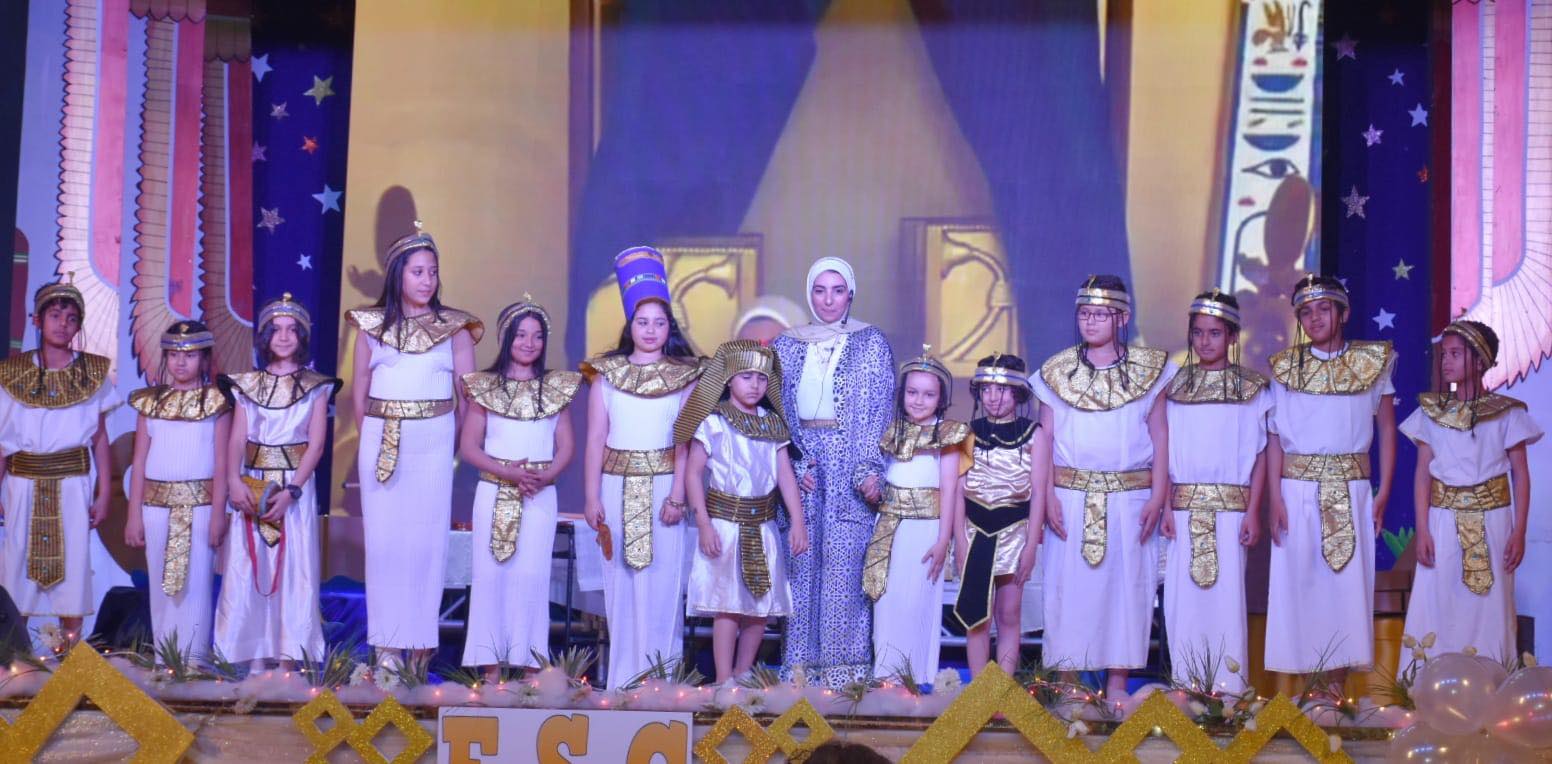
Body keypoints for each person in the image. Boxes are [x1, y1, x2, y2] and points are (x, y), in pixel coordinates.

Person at [1032, 275, 1176, 699]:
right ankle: (1068, 685)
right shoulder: (1056, 372)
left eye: (1100, 314)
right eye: (1084, 313)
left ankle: (1116, 686)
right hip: (1070, 497)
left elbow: (1161, 435)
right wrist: (1048, 496)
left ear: (1123, 318)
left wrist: (1159, 496)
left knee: (1126, 591)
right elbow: (1045, 439)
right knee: (1069, 590)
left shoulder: (1150, 372)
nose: (1090, 321)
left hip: (1130, 498)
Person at [348, 222, 481, 670]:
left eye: (433, 272)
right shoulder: (372, 327)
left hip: (433, 441)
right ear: (398, 275)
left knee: (425, 543)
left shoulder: (455, 328)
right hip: (382, 438)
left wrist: (452, 448)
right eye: (418, 272)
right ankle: (386, 651)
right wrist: (372, 441)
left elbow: (467, 397)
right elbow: (360, 391)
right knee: (385, 544)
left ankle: (420, 651)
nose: (427, 281)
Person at [1265, 275, 1396, 690]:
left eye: (1324, 309)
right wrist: (1275, 498)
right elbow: (1274, 436)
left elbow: (1387, 429)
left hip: (1351, 488)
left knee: (1344, 587)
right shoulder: (1284, 368)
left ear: (1344, 312)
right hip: (1297, 489)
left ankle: (1335, 689)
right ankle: (1309, 689)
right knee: (1301, 583)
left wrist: (1383, 492)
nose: (1315, 318)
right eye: (1306, 312)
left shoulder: (1373, 363)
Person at [581, 246, 704, 686]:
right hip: (615, 489)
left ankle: (660, 684)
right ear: (629, 325)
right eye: (642, 321)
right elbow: (595, 438)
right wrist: (591, 496)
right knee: (621, 583)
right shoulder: (606, 375)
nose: (650, 330)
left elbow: (686, 440)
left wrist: (678, 496)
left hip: (665, 490)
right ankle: (622, 682)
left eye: (659, 322)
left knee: (663, 584)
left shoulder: (685, 376)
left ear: (669, 328)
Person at [772, 257, 896, 686]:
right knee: (802, 568)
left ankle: (845, 678)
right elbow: (776, 412)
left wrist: (867, 469)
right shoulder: (786, 345)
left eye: (837, 290)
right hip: (803, 463)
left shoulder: (871, 342)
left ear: (851, 295)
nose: (828, 300)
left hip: (851, 463)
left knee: (844, 570)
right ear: (809, 293)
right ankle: (799, 673)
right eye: (820, 290)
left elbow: (878, 409)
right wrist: (795, 464)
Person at [1399, 320, 1540, 665]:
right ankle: (1425, 683)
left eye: (1455, 354)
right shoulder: (1431, 412)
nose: (1446, 361)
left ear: (1479, 360)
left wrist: (1519, 532)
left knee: (1490, 607)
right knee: (1437, 601)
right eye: (1444, 354)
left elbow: (1521, 475)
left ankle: (1492, 683)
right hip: (1442, 520)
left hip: (1493, 521)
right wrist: (1422, 530)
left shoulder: (1507, 413)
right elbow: (1422, 474)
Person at [214, 294, 338, 671]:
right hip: (253, 483)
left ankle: (289, 662)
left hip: (294, 487)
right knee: (248, 569)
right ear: (265, 337)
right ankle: (253, 659)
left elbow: (316, 445)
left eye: (292, 330)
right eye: (276, 330)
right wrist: (234, 482)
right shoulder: (246, 385)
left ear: (302, 337)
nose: (284, 337)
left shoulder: (316, 386)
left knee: (295, 570)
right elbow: (237, 438)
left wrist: (292, 492)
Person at [459, 298, 580, 679]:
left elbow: (567, 446)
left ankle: (530, 670)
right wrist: (507, 473)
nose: (529, 343)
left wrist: (545, 476)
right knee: (491, 577)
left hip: (539, 495)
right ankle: (490, 671)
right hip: (494, 491)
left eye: (537, 336)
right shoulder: (485, 387)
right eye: (521, 335)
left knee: (532, 578)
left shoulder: (555, 389)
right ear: (505, 337)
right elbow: (469, 447)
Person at [676, 340, 809, 685]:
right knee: (728, 605)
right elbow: (692, 474)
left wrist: (797, 521)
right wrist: (704, 524)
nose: (755, 385)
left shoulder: (773, 424)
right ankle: (724, 680)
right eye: (746, 376)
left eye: (762, 378)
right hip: (725, 525)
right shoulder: (714, 423)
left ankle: (743, 672)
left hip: (763, 526)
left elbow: (785, 476)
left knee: (759, 608)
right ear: (729, 378)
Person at [1160, 292, 1270, 694]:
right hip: (1182, 509)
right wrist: (1166, 505)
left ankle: (1228, 690)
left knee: (1226, 599)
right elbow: (1163, 449)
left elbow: (1260, 454)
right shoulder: (1173, 387)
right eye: (1198, 333)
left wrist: (1253, 510)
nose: (1205, 341)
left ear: (1233, 337)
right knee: (1182, 601)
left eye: (1214, 333)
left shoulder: (1252, 389)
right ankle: (1185, 686)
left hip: (1231, 511)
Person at [0, 279, 118, 651]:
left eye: (71, 319)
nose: (62, 325)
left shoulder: (92, 373)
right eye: (54, 316)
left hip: (72, 485)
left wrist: (104, 492)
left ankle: (70, 658)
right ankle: (12, 659)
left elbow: (99, 438)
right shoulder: (12, 373)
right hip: (23, 484)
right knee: (15, 569)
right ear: (37, 320)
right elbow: (2, 442)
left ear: (79, 325)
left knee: (73, 571)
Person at [125, 321, 231, 660]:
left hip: (200, 509)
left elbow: (222, 462)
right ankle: (165, 662)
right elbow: (139, 461)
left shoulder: (218, 402)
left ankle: (194, 663)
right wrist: (133, 516)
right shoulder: (149, 403)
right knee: (161, 587)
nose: (180, 362)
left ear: (205, 358)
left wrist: (218, 514)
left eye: (190, 355)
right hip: (155, 509)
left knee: (196, 587)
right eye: (173, 355)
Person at [868, 348, 969, 685]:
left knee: (917, 603)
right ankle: (886, 679)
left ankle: (912, 680)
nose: (919, 401)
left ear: (941, 399)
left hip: (925, 531)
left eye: (928, 394)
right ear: (902, 394)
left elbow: (949, 488)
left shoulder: (947, 433)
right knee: (887, 603)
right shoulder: (891, 430)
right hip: (889, 528)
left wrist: (944, 540)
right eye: (912, 392)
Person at [955, 353, 1042, 675]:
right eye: (987, 389)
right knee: (977, 616)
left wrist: (1031, 546)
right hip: (975, 531)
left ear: (1017, 392)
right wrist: (959, 540)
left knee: (1009, 613)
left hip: (1015, 531)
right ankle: (979, 691)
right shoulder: (968, 433)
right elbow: (958, 491)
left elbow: (1039, 493)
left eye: (1002, 389)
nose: (993, 397)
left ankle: (1002, 690)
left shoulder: (1034, 434)